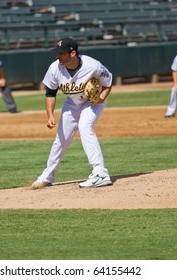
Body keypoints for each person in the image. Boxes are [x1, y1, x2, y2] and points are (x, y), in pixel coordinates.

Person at [32, 37, 113, 189]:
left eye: (61, 53)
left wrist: (101, 98)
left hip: (92, 102)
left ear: (73, 53)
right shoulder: (55, 68)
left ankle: (100, 173)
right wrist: (50, 115)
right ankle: (47, 177)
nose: (58, 56)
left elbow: (108, 83)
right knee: (61, 139)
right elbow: (50, 93)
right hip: (71, 103)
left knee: (85, 126)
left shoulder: (92, 65)